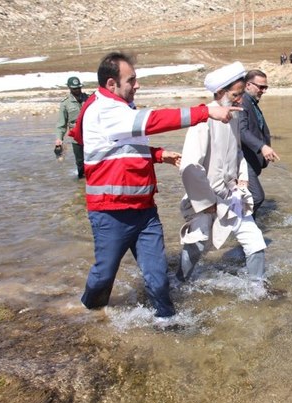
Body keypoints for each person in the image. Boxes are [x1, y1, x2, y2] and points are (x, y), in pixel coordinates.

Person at [70, 52, 239, 318]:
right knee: (104, 276)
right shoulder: (104, 110)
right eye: (132, 80)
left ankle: (167, 322)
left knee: (158, 276)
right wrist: (205, 112)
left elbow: (123, 148)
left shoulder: (122, 110)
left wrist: (159, 155)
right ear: (112, 84)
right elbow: (153, 121)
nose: (137, 85)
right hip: (110, 213)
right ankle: (87, 314)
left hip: (144, 211)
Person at [177, 62, 269, 288]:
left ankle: (257, 289)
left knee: (255, 241)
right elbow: (189, 165)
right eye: (236, 95)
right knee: (197, 245)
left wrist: (242, 177)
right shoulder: (202, 121)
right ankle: (178, 284)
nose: (240, 100)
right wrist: (204, 202)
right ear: (220, 93)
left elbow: (237, 151)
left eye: (240, 95)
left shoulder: (234, 116)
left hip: (232, 194)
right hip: (206, 198)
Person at [239, 69, 280, 216]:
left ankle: (249, 230)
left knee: (247, 198)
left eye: (265, 87)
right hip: (243, 161)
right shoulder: (243, 102)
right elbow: (242, 131)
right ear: (248, 85)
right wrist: (262, 146)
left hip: (252, 159)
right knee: (256, 197)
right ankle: (236, 224)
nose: (263, 91)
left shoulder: (252, 102)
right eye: (261, 87)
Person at [55, 76, 89, 178]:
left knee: (93, 159)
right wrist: (59, 139)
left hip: (90, 134)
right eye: (74, 88)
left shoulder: (89, 99)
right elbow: (61, 124)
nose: (77, 90)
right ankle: (81, 183)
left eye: (79, 88)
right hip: (76, 137)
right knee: (80, 162)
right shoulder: (65, 103)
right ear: (70, 88)